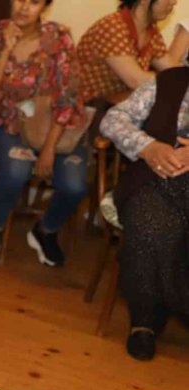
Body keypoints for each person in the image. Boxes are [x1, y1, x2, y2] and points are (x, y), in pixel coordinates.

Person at [0, 0, 87, 270]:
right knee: (16, 171)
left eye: (34, 2)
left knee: (75, 185)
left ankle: (45, 230)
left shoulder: (59, 38)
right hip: (10, 124)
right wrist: (6, 50)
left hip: (55, 128)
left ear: (45, 7)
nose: (24, 7)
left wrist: (48, 149)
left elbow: (67, 98)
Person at [99, 66, 189, 360]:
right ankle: (144, 319)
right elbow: (113, 119)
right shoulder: (168, 81)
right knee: (149, 226)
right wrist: (147, 147)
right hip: (154, 181)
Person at [77, 0, 178, 105]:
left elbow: (175, 71)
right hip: (91, 108)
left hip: (119, 106)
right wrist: (171, 79)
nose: (174, 2)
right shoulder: (112, 26)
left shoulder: (150, 29)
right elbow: (136, 81)